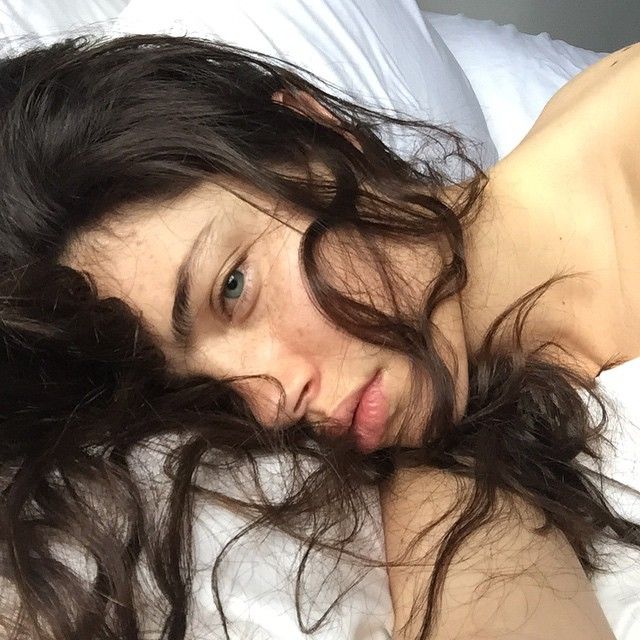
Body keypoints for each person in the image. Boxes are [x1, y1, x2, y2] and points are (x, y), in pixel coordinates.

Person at [0, 33, 639, 640]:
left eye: (232, 288)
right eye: (203, 391)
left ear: (318, 129)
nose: (271, 404)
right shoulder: (443, 471)